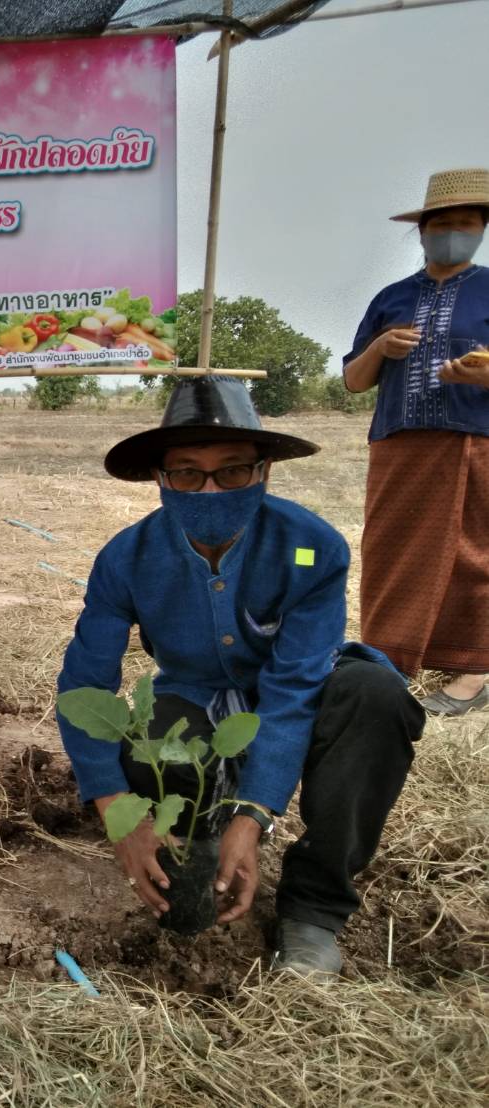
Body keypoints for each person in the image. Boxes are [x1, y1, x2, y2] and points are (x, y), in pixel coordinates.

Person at [56, 376, 425, 975]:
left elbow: (294, 688)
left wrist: (255, 812)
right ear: (160, 478)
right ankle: (200, 867)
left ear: (264, 472)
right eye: (186, 473)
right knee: (155, 752)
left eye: (232, 471)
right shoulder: (125, 559)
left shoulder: (313, 547)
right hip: (197, 694)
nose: (209, 489)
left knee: (375, 698)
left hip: (308, 686)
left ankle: (313, 909)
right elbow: (85, 687)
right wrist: (114, 806)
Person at [343, 168, 489, 715]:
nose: (454, 233)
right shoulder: (392, 297)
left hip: (474, 439)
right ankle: (387, 660)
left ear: (481, 231)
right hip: (399, 443)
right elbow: (354, 380)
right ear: (422, 232)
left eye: (467, 224)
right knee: (390, 549)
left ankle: (472, 671)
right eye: (442, 224)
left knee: (473, 554)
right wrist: (380, 347)